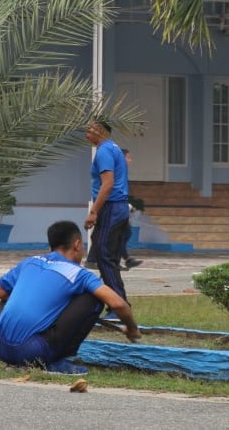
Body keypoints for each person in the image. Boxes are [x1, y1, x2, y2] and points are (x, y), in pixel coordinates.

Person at [0, 220, 141, 375]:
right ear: (77, 245)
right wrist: (132, 329)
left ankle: (14, 359)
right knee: (94, 299)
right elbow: (118, 304)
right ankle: (59, 361)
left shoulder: (30, 262)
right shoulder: (78, 273)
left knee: (6, 294)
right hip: (32, 352)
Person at [83, 116, 130, 314]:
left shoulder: (104, 151)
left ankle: (118, 306)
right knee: (106, 256)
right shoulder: (113, 148)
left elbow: (108, 184)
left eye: (89, 130)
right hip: (119, 207)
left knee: (104, 254)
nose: (86, 134)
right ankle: (111, 303)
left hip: (111, 208)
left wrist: (94, 212)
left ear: (100, 131)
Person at [120, 148, 142, 270]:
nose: (130, 160)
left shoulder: (123, 172)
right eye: (128, 157)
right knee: (122, 234)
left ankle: (126, 259)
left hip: (121, 207)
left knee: (125, 233)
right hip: (116, 208)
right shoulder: (118, 172)